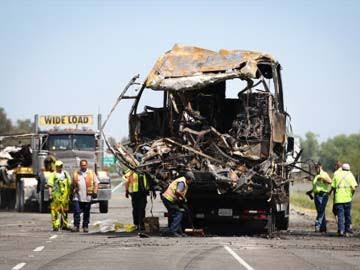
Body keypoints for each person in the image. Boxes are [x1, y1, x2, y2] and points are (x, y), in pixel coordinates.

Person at [161, 172, 194, 237]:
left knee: (176, 214)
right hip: (169, 199)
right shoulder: (182, 182)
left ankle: (178, 232)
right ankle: (173, 231)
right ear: (189, 179)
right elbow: (178, 191)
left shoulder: (182, 181)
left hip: (169, 199)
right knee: (178, 213)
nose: (191, 182)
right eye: (191, 180)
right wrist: (183, 198)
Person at [71, 159, 99, 233]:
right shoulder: (76, 173)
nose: (83, 166)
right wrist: (71, 193)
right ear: (80, 166)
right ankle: (76, 226)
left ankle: (85, 226)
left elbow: (96, 183)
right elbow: (72, 185)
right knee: (77, 212)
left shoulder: (91, 173)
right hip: (77, 196)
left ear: (87, 165)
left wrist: (95, 192)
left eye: (84, 165)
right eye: (82, 165)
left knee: (86, 212)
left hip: (87, 197)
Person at [331, 163, 358, 236]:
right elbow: (354, 188)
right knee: (347, 215)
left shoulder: (336, 174)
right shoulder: (350, 175)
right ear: (348, 169)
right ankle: (348, 231)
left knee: (340, 215)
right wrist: (351, 195)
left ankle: (341, 231)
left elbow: (333, 186)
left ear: (342, 168)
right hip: (347, 199)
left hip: (338, 199)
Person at [307, 162, 332, 232]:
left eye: (317, 167)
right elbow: (316, 186)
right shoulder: (316, 175)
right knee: (320, 211)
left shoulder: (324, 174)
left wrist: (323, 178)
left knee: (321, 211)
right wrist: (311, 191)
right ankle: (323, 228)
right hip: (316, 195)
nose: (316, 169)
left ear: (320, 167)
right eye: (315, 168)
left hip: (323, 195)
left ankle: (317, 226)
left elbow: (330, 182)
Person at [48, 160, 71, 231]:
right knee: (55, 211)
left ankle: (65, 224)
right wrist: (50, 195)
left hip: (65, 196)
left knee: (65, 211)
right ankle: (56, 225)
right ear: (55, 167)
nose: (59, 168)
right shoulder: (53, 175)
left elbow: (70, 184)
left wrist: (70, 194)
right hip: (56, 196)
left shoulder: (65, 174)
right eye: (58, 166)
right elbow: (50, 185)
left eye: (60, 166)